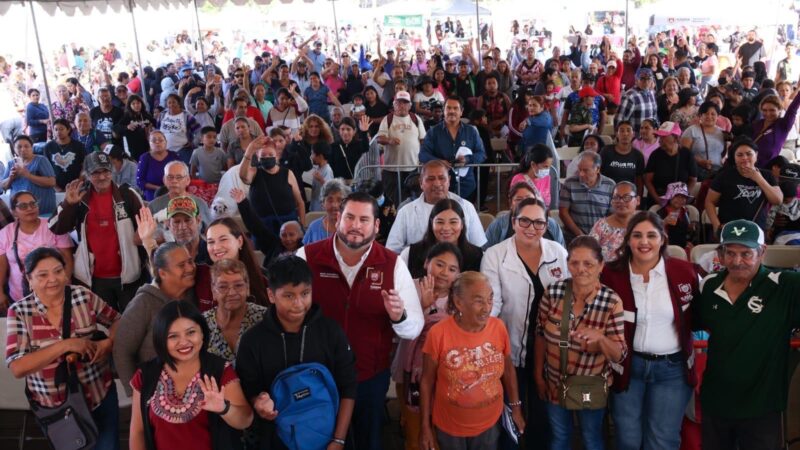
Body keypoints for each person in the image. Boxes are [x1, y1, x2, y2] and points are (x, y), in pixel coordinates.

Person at [297, 192, 424, 450]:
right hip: (318, 375)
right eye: (350, 217)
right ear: (337, 220)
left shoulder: (393, 264)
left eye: (364, 219)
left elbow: (414, 329)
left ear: (376, 226)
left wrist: (398, 316)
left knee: (368, 441)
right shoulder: (306, 256)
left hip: (369, 376)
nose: (356, 225)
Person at [693, 219, 800, 449]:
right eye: (730, 253)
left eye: (746, 253)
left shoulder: (785, 285)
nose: (737, 261)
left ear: (762, 251)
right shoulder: (708, 287)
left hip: (763, 406)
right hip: (716, 401)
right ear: (720, 254)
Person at [235, 255, 357, 449]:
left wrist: (339, 440)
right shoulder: (253, 341)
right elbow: (248, 389)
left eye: (305, 293)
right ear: (271, 295)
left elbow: (348, 387)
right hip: (277, 441)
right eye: (289, 296)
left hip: (329, 438)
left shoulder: (330, 332)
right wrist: (258, 402)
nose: (299, 303)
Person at [600, 211, 699, 450]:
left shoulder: (684, 272)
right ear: (628, 239)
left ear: (663, 238)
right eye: (637, 235)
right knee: (628, 438)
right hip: (628, 367)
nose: (644, 242)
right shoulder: (611, 274)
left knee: (662, 440)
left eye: (651, 235)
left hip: (671, 370)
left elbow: (701, 315)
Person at [6, 247, 121, 449]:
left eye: (58, 271)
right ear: (29, 279)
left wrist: (108, 343)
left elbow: (118, 322)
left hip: (99, 394)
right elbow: (18, 367)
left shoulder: (82, 296)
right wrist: (66, 345)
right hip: (57, 410)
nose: (53, 279)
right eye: (42, 275)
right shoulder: (19, 312)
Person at [481, 197, 568, 449]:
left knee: (544, 417)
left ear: (547, 224)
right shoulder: (495, 255)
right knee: (511, 413)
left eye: (539, 222)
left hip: (548, 349)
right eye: (525, 221)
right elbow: (492, 304)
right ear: (513, 221)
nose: (532, 228)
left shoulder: (558, 252)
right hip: (509, 347)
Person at [533, 236, 626, 450]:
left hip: (589, 385)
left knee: (591, 438)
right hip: (554, 381)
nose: (581, 269)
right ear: (567, 264)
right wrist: (539, 376)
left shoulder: (612, 301)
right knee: (559, 437)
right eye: (574, 263)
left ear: (601, 265)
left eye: (589, 264)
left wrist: (601, 338)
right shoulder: (554, 292)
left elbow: (618, 354)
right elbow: (540, 334)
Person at [419, 271, 525, 450]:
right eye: (478, 301)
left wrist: (516, 408)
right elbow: (427, 381)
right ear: (459, 303)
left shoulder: (498, 327)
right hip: (449, 427)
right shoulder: (438, 334)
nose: (487, 307)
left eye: (490, 299)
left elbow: (508, 370)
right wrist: (425, 426)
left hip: (490, 424)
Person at [129, 300, 253, 450]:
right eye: (173, 336)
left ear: (202, 333)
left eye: (191, 332)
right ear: (161, 339)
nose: (184, 342)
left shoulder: (220, 370)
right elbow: (138, 432)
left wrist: (224, 408)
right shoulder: (145, 375)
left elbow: (245, 419)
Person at [50, 151, 146, 311]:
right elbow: (56, 227)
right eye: (96, 172)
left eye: (106, 171)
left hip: (129, 277)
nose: (102, 177)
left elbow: (147, 223)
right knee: (103, 327)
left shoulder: (127, 195)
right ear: (86, 174)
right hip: (94, 278)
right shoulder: (80, 197)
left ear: (112, 171)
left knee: (133, 323)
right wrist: (69, 204)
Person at [392, 242, 462, 450]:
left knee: (438, 432)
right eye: (439, 264)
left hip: (445, 375)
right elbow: (397, 328)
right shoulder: (409, 287)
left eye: (452, 269)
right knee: (415, 433)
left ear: (458, 274)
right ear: (426, 263)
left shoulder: (459, 298)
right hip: (409, 368)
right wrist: (421, 306)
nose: (444, 273)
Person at [113, 242, 197, 394]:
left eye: (190, 261)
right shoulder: (144, 303)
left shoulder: (194, 294)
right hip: (156, 393)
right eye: (181, 265)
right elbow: (122, 351)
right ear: (162, 273)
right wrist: (137, 395)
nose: (190, 268)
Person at [387, 160, 486, 253]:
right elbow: (393, 250)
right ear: (421, 183)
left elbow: (478, 247)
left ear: (449, 181)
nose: (437, 184)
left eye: (442, 178)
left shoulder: (466, 207)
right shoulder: (406, 212)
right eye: (430, 179)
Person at [0, 191, 73, 309]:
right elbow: (2, 265)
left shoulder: (53, 226)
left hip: (54, 291)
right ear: (14, 211)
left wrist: (64, 284)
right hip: (20, 296)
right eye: (23, 206)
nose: (30, 208)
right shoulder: (6, 233)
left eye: (33, 204)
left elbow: (68, 259)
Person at [705, 138, 782, 233]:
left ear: (756, 155)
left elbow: (777, 200)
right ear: (734, 157)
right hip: (729, 229)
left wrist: (758, 179)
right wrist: (716, 225)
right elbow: (709, 202)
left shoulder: (767, 175)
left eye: (749, 154)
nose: (744, 158)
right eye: (739, 155)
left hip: (756, 230)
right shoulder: (724, 175)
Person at [420, 96, 487, 200]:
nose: (452, 111)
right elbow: (423, 155)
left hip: (467, 186)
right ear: (444, 110)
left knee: (464, 216)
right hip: (440, 187)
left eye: (455, 108)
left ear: (461, 111)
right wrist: (439, 162)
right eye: (448, 108)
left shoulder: (471, 131)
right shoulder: (433, 132)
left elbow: (481, 154)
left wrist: (467, 159)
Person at [203, 259, 267, 362]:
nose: (232, 293)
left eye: (238, 285)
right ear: (213, 290)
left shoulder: (265, 318)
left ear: (247, 287)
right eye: (223, 287)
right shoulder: (202, 325)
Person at [239, 136, 305, 235]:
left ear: (277, 155)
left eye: (270, 154)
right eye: (263, 155)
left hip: (288, 224)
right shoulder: (254, 172)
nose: (267, 157)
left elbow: (300, 203)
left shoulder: (288, 173)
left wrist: (302, 228)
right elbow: (243, 176)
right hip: (262, 226)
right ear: (258, 156)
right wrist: (249, 151)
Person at [402, 199, 483, 278]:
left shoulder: (478, 256)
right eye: (440, 222)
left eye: (453, 222)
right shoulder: (410, 254)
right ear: (431, 223)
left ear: (462, 224)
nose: (446, 228)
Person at [376, 91, 427, 205]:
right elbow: (379, 138)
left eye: (405, 103)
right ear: (394, 104)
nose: (402, 106)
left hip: (412, 167)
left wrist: (423, 159)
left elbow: (423, 140)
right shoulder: (387, 119)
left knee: (412, 199)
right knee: (391, 199)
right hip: (392, 169)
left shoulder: (416, 119)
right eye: (399, 103)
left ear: (410, 106)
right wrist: (389, 140)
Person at [485, 182, 565, 248]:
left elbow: (563, 255)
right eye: (519, 199)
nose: (524, 203)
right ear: (510, 204)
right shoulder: (498, 225)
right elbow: (486, 252)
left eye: (529, 199)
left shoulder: (551, 225)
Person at [559, 151, 616, 243]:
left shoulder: (610, 185)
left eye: (585, 170)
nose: (581, 174)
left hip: (602, 237)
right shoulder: (570, 183)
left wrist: (599, 235)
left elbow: (612, 215)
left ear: (597, 169)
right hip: (573, 237)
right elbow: (563, 212)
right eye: (579, 169)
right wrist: (580, 234)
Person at [644, 121, 698, 206]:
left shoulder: (687, 154)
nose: (660, 141)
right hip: (658, 199)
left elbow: (693, 179)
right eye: (660, 137)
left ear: (676, 138)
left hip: (679, 202)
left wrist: (683, 197)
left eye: (664, 137)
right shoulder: (655, 155)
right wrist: (659, 200)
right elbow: (647, 180)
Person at [1, 135, 57, 216]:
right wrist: (11, 177)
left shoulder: (40, 160)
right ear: (14, 148)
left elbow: (52, 182)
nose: (23, 149)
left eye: (26, 146)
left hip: (42, 211)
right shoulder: (11, 164)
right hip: (19, 212)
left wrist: (27, 175)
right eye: (19, 147)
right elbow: (3, 187)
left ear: (32, 147)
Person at [149, 161, 212, 229]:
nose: (174, 181)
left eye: (179, 177)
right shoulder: (154, 206)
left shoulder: (200, 204)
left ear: (188, 180)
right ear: (164, 180)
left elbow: (209, 230)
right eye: (170, 177)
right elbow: (141, 235)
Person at [590, 181, 640, 261]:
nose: (621, 201)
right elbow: (589, 253)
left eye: (626, 197)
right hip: (605, 272)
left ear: (637, 200)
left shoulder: (644, 224)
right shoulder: (601, 226)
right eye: (616, 197)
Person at [751, 93, 800, 168]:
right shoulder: (756, 124)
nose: (768, 113)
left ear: (780, 110)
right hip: (748, 163)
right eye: (764, 110)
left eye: (772, 110)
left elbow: (793, 109)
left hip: (767, 168)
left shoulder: (783, 125)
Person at [680, 101, 727, 181]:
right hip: (697, 173)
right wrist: (699, 161)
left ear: (718, 116)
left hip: (718, 174)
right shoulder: (691, 131)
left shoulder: (723, 133)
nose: (709, 116)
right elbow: (683, 154)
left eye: (713, 114)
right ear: (700, 115)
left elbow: (726, 153)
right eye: (706, 113)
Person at [599, 121, 645, 192]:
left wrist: (638, 199)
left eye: (628, 130)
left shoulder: (638, 155)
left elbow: (639, 181)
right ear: (617, 134)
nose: (625, 134)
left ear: (633, 134)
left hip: (628, 195)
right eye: (622, 131)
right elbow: (598, 173)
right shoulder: (606, 151)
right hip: (607, 192)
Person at [304, 178, 351, 245]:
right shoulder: (314, 228)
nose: (335, 205)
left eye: (340, 200)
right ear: (322, 204)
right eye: (330, 200)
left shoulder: (353, 228)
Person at [43, 118, 86, 191]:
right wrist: (56, 187)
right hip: (56, 187)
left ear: (68, 130)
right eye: (56, 130)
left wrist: (78, 183)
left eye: (61, 129)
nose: (58, 132)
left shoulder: (79, 146)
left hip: (76, 186)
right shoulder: (48, 147)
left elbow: (84, 167)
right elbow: (46, 169)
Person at [137, 131, 180, 201]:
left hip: (173, 191)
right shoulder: (145, 158)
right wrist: (159, 189)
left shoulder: (174, 156)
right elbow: (140, 181)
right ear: (149, 143)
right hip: (153, 194)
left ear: (166, 142)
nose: (157, 142)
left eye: (160, 140)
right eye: (154, 140)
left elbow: (182, 175)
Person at [509, 144, 555, 208]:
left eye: (549, 167)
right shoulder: (518, 179)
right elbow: (513, 205)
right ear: (533, 164)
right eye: (545, 166)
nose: (547, 170)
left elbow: (546, 204)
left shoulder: (546, 178)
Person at [656, 181, 698, 249]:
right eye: (677, 196)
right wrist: (664, 222)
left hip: (683, 245)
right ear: (670, 197)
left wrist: (690, 228)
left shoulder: (685, 212)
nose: (680, 199)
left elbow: (686, 233)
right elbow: (655, 230)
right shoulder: (661, 212)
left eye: (683, 197)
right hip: (666, 246)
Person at [615, 68, 657, 133]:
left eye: (649, 78)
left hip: (649, 138)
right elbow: (619, 120)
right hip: (635, 139)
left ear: (652, 80)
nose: (646, 81)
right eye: (642, 79)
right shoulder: (630, 96)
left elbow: (654, 116)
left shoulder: (651, 93)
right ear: (636, 80)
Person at [115, 94, 155, 161]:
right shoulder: (127, 117)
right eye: (133, 104)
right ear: (130, 106)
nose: (136, 105)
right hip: (135, 149)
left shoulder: (145, 114)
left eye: (138, 103)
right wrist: (127, 127)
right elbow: (116, 128)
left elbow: (154, 123)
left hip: (147, 146)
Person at [331, 116, 371, 182]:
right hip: (339, 184)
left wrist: (364, 132)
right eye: (342, 129)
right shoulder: (333, 146)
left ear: (354, 131)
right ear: (339, 130)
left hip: (355, 183)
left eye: (348, 129)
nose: (345, 132)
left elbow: (366, 148)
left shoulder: (359, 144)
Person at [309, 145, 334, 212]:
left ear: (320, 156)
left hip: (321, 209)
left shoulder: (327, 170)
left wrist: (321, 180)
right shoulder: (317, 168)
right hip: (314, 205)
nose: (311, 156)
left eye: (313, 154)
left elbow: (330, 189)